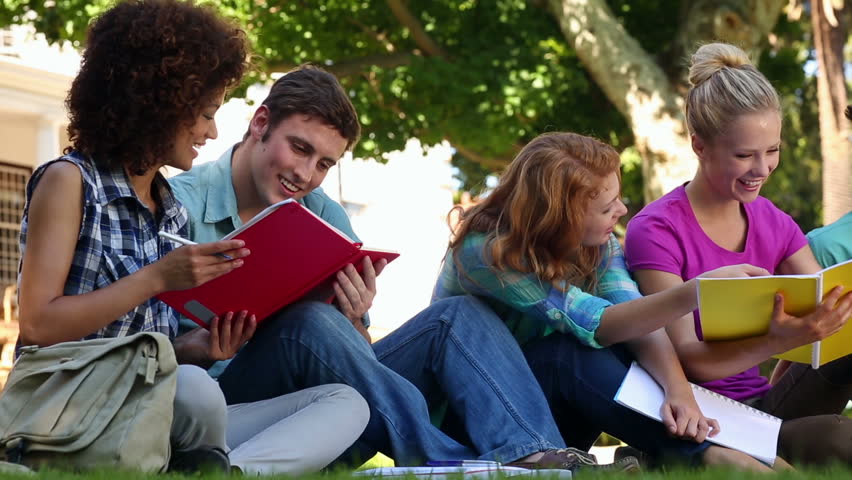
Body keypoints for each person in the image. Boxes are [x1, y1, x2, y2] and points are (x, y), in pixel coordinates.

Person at [169, 65, 635, 472]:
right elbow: (139, 354)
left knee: (460, 315)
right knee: (306, 320)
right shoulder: (179, 206)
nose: (307, 174)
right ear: (260, 122)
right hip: (223, 411)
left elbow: (359, 359)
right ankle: (452, 461)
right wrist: (202, 347)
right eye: (299, 149)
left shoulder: (323, 215)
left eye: (325, 164)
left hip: (343, 415)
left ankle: (537, 456)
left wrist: (353, 318)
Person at [14, 0, 369, 475]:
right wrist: (157, 279)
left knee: (345, 403)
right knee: (197, 391)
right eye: (204, 113)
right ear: (158, 105)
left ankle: (226, 472)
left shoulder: (170, 209)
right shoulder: (70, 181)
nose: (213, 130)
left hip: (152, 406)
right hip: (70, 405)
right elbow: (38, 325)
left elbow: (150, 356)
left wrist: (200, 348)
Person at [432, 130, 783, 470]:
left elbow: (636, 317)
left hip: (543, 417)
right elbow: (595, 323)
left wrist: (679, 392)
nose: (622, 209)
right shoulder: (487, 251)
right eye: (606, 207)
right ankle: (705, 455)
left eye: (617, 196)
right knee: (568, 352)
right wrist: (697, 291)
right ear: (560, 216)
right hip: (472, 422)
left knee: (624, 341)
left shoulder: (598, 244)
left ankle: (712, 446)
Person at [625, 43, 852, 466]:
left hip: (767, 410)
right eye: (744, 155)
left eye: (773, 150)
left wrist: (826, 322)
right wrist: (778, 340)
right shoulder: (656, 230)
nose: (763, 168)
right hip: (699, 417)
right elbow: (688, 360)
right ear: (699, 146)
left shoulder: (774, 222)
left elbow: (830, 305)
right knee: (841, 443)